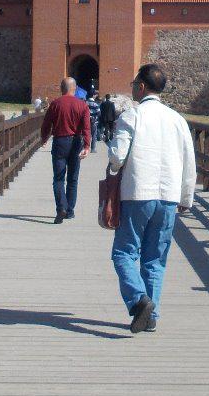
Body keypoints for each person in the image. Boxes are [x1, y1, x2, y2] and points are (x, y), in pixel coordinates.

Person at [107, 63, 196, 333]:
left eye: (134, 83)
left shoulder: (132, 116)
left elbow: (117, 157)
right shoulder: (177, 120)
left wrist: (112, 164)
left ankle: (139, 300)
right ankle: (151, 317)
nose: (132, 87)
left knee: (123, 253)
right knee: (155, 259)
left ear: (142, 87)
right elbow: (188, 162)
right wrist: (186, 197)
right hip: (168, 196)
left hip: (138, 194)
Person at [39, 76, 91, 223]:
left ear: (62, 89)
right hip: (76, 142)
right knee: (73, 179)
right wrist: (87, 146)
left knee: (58, 178)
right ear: (74, 89)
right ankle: (70, 211)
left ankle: (61, 207)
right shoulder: (82, 105)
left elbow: (46, 124)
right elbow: (87, 128)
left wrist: (43, 139)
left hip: (59, 142)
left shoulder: (55, 104)